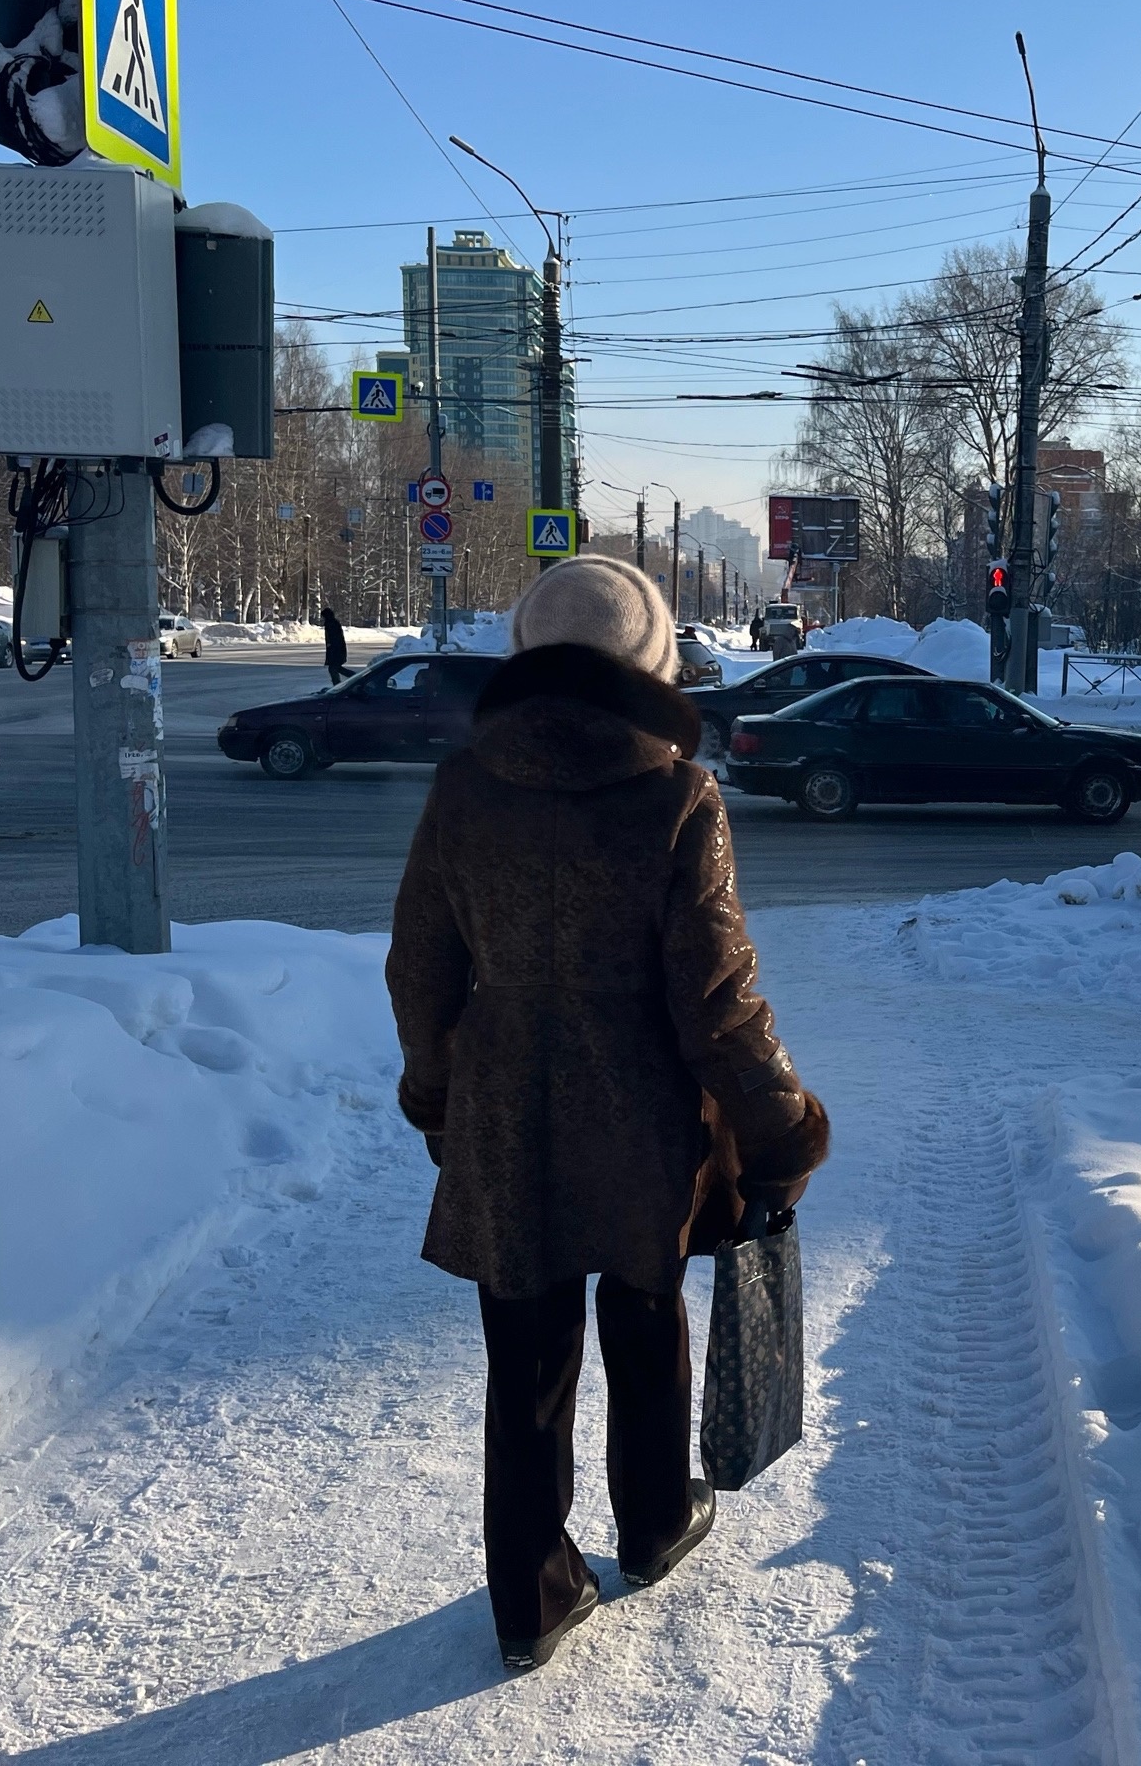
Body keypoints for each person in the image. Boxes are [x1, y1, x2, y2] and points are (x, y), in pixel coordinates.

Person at [386, 555, 829, 1674]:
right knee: (646, 1313)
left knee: (524, 1349)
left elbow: (418, 970)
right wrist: (778, 1129)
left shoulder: (462, 788)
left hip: (501, 1104)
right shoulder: (676, 794)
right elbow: (718, 998)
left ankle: (530, 1597)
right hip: (638, 1104)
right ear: (651, 660)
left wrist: (438, 1095)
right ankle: (651, 1520)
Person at [321, 604, 348, 685]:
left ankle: (337, 685)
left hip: (336, 650)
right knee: (337, 668)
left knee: (333, 669)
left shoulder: (331, 624)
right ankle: (356, 678)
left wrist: (331, 652)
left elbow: (333, 640)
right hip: (338, 650)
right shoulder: (333, 623)